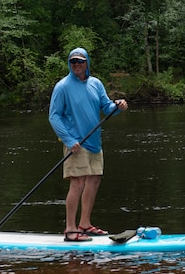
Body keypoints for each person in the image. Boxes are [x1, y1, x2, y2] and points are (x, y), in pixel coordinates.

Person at [48, 47, 128, 242]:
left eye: (80, 61)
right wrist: (68, 140)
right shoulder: (62, 86)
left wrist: (117, 106)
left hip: (94, 142)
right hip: (76, 143)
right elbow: (54, 116)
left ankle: (85, 224)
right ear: (69, 64)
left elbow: (106, 107)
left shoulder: (96, 83)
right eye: (73, 62)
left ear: (87, 63)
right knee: (77, 183)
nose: (76, 65)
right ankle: (70, 229)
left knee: (94, 180)